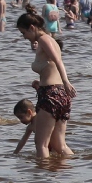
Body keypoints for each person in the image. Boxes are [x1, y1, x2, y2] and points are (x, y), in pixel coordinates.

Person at [19, 11, 74, 160]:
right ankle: (71, 170)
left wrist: (66, 81)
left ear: (32, 27)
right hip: (60, 94)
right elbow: (51, 67)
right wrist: (40, 84)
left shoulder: (44, 39)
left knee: (41, 144)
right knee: (58, 145)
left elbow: (58, 61)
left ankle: (42, 180)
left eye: (23, 32)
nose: (24, 37)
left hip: (51, 94)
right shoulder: (49, 40)